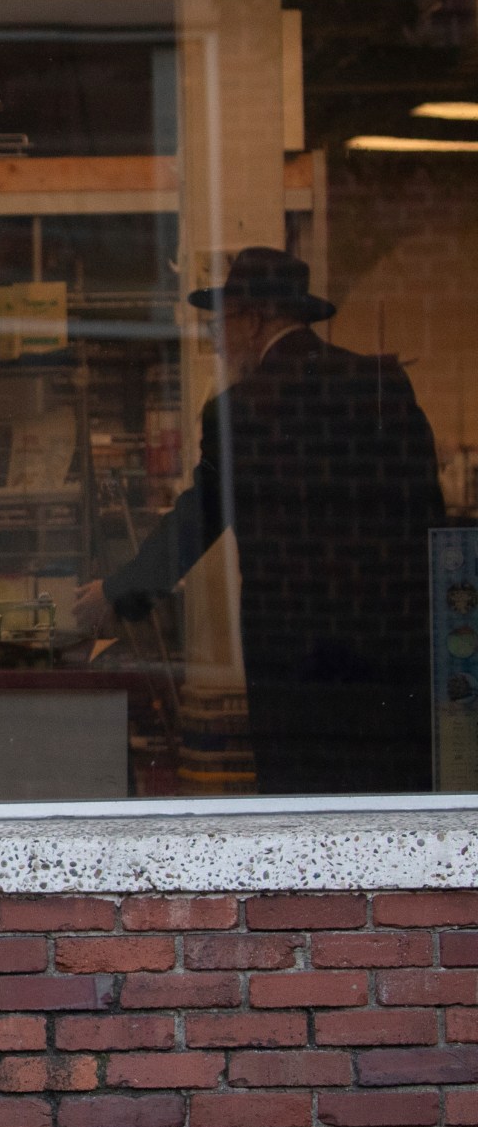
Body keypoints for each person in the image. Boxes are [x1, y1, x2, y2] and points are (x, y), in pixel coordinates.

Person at [75, 246, 445, 793]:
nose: (215, 340)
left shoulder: (241, 409)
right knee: (392, 808)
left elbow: (198, 519)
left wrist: (117, 593)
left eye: (220, 324)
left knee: (306, 815)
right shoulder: (383, 385)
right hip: (393, 658)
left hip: (295, 663)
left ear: (253, 320)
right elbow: (430, 518)